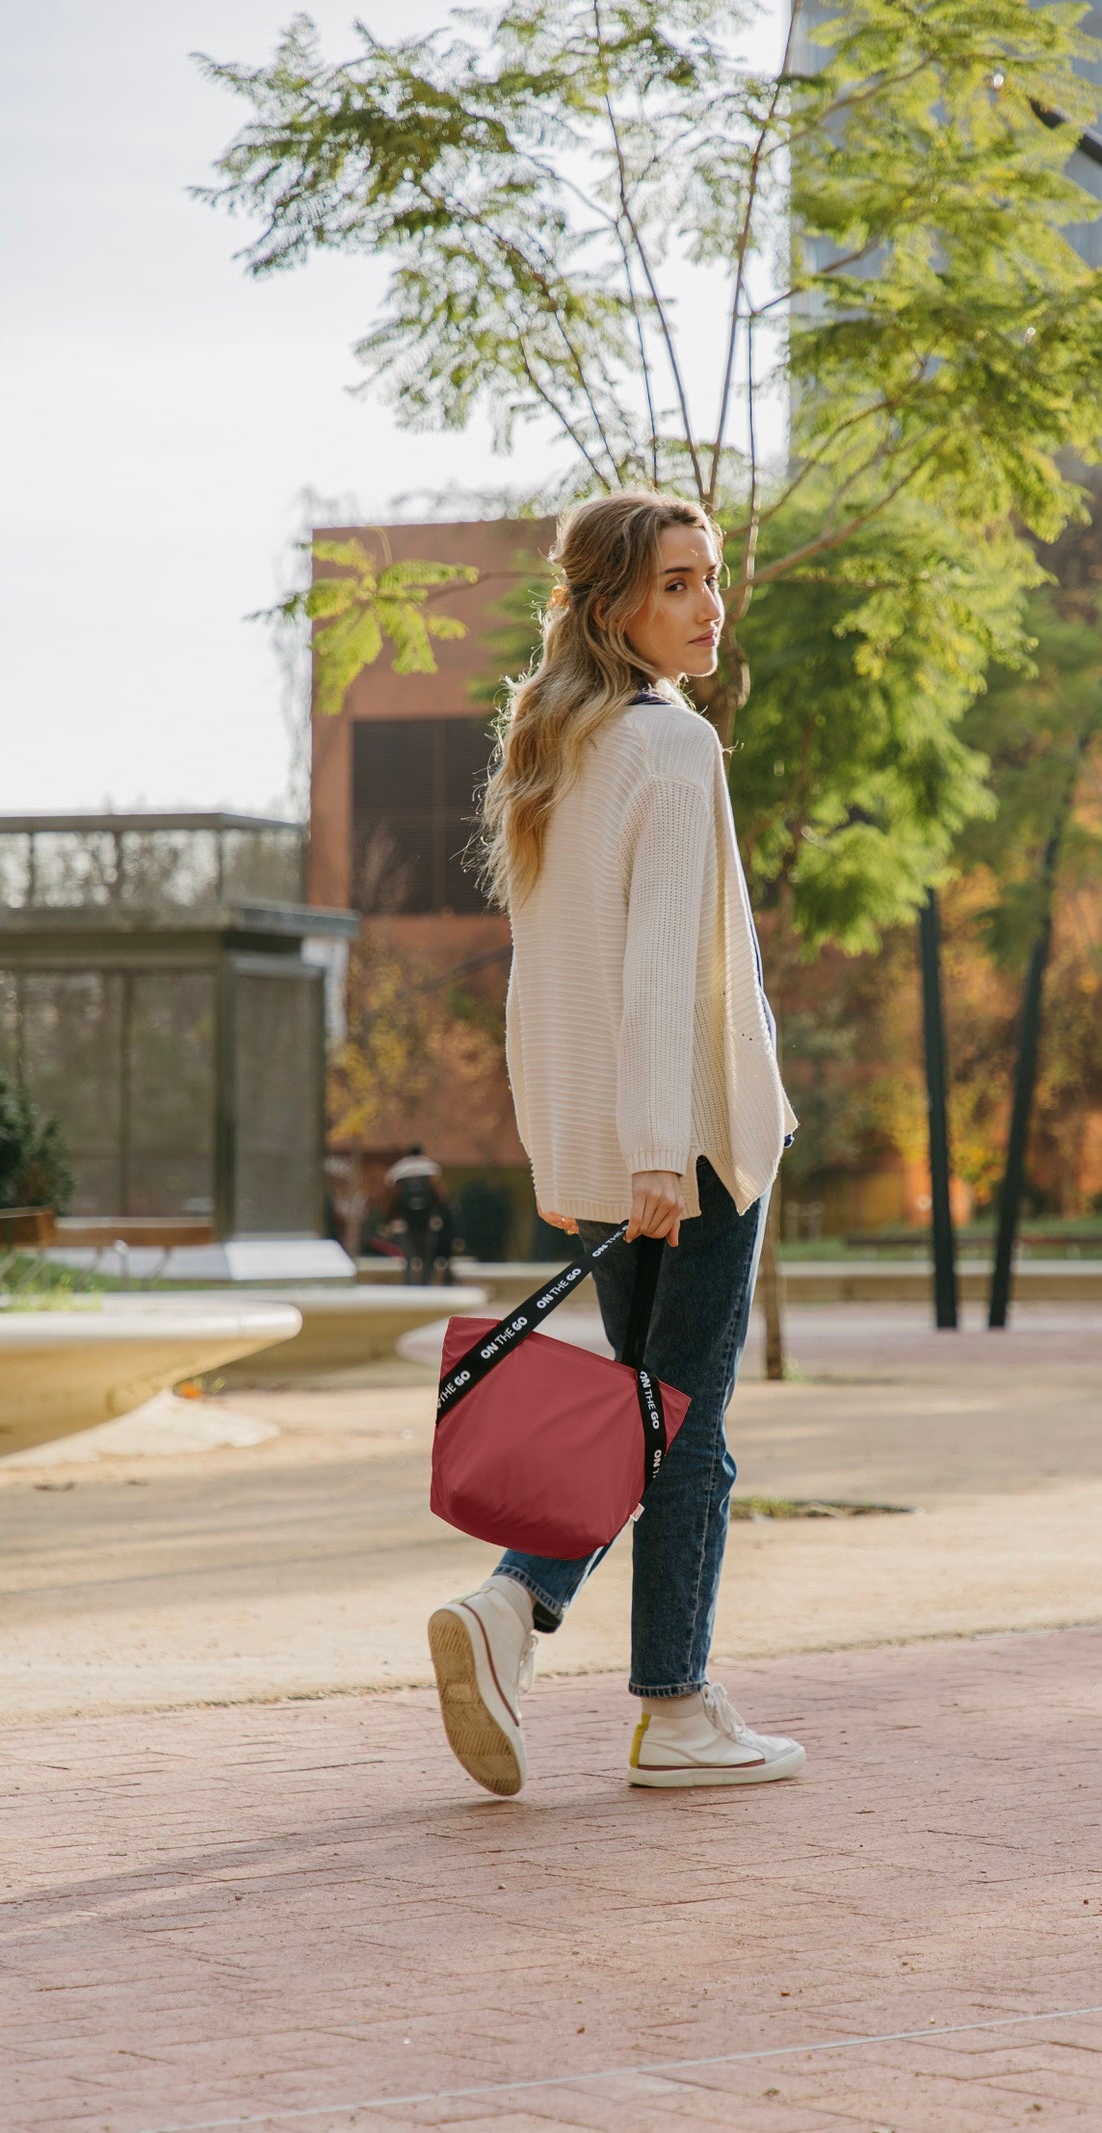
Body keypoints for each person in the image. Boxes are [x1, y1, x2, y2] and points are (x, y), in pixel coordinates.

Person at [427, 490, 802, 1795]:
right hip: (683, 1142)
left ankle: (513, 1618)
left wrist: (582, 1152)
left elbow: (542, 978)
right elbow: (656, 972)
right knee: (683, 1419)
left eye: (709, 580)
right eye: (676, 587)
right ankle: (671, 1707)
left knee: (638, 1407)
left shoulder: (553, 737)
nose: (708, 609)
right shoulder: (670, 746)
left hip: (602, 1144)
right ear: (610, 609)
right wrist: (658, 1151)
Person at [383, 1144, 448, 1285]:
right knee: (426, 1257)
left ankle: (409, 1285)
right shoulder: (431, 1169)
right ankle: (425, 1285)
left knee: (409, 1258)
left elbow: (391, 1199)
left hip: (405, 1223)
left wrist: (388, 1221)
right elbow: (441, 1198)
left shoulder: (399, 1170)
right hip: (427, 1222)